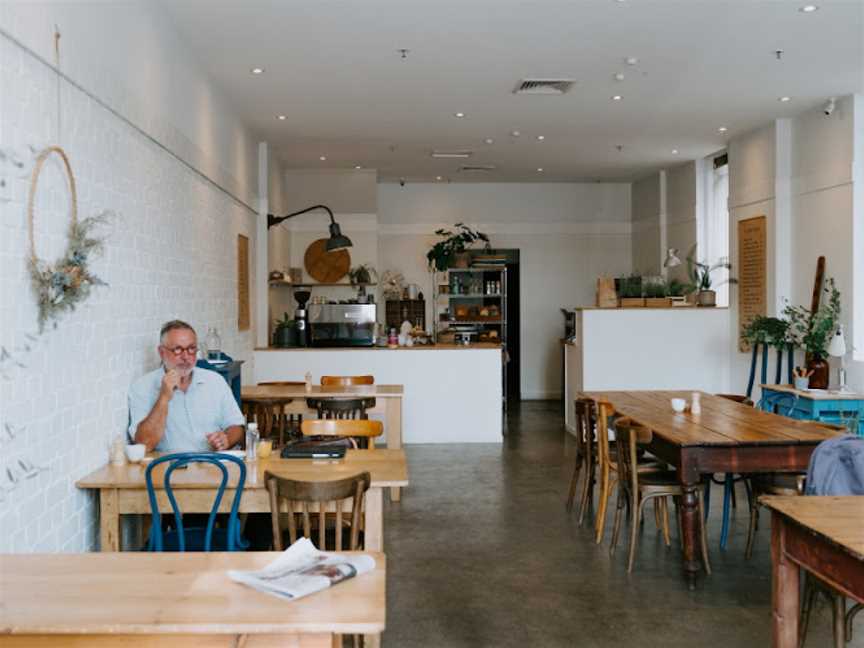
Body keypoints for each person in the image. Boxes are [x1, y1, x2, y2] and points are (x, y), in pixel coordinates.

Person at [129, 320, 245, 452]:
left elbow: (237, 427)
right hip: (168, 468)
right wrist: (164, 397)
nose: (186, 357)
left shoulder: (215, 381)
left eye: (191, 349)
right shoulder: (141, 387)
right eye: (177, 350)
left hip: (213, 466)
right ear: (162, 352)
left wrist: (226, 439)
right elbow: (144, 445)